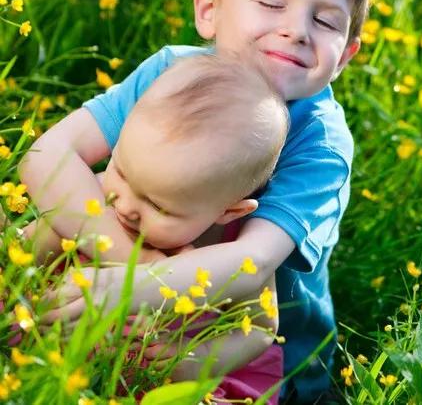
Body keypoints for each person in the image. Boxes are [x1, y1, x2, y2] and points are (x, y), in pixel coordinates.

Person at [19, 0, 373, 403]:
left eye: (326, 21)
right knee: (85, 198)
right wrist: (123, 266)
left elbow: (252, 264)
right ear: (209, 9)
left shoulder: (320, 142)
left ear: (345, 56)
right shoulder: (171, 72)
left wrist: (120, 288)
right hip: (132, 285)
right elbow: (48, 157)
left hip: (250, 350)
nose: (296, 29)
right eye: (272, 3)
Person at [19, 53, 290, 402]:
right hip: (66, 353)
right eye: (120, 170)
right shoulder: (97, 205)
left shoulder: (233, 253)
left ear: (228, 211)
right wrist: (30, 295)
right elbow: (28, 253)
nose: (126, 206)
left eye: (159, 206)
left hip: (164, 375)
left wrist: (195, 362)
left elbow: (260, 330)